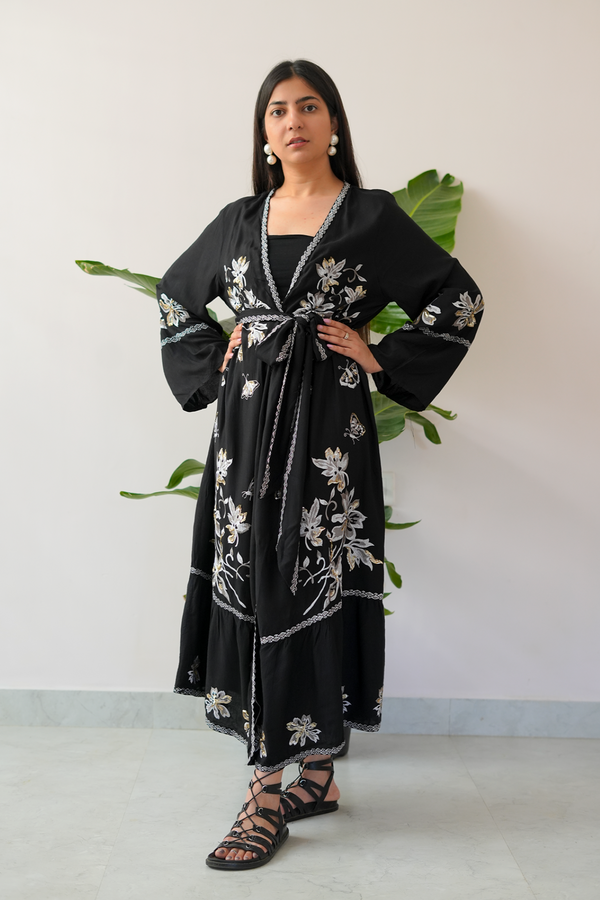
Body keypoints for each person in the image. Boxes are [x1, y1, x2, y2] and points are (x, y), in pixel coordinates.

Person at [156, 59, 483, 870]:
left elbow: (459, 298)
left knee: (311, 574)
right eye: (276, 111)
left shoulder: (370, 217)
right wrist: (220, 352)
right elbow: (175, 297)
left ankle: (291, 782)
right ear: (263, 134)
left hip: (328, 435)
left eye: (308, 107)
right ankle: (280, 779)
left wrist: (378, 355)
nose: (292, 121)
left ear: (333, 123)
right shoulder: (239, 219)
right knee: (256, 580)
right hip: (245, 433)